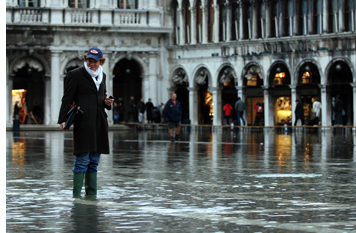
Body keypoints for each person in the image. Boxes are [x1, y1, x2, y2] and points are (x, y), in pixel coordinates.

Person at [58, 47, 113, 198]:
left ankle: (91, 195)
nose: (91, 64)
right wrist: (62, 119)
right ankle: (76, 196)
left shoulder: (103, 75)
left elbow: (101, 97)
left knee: (94, 161)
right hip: (84, 122)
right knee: (82, 160)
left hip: (100, 122)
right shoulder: (75, 75)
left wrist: (107, 102)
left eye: (95, 61)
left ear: (101, 62)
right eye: (89, 60)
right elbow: (67, 98)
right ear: (86, 59)